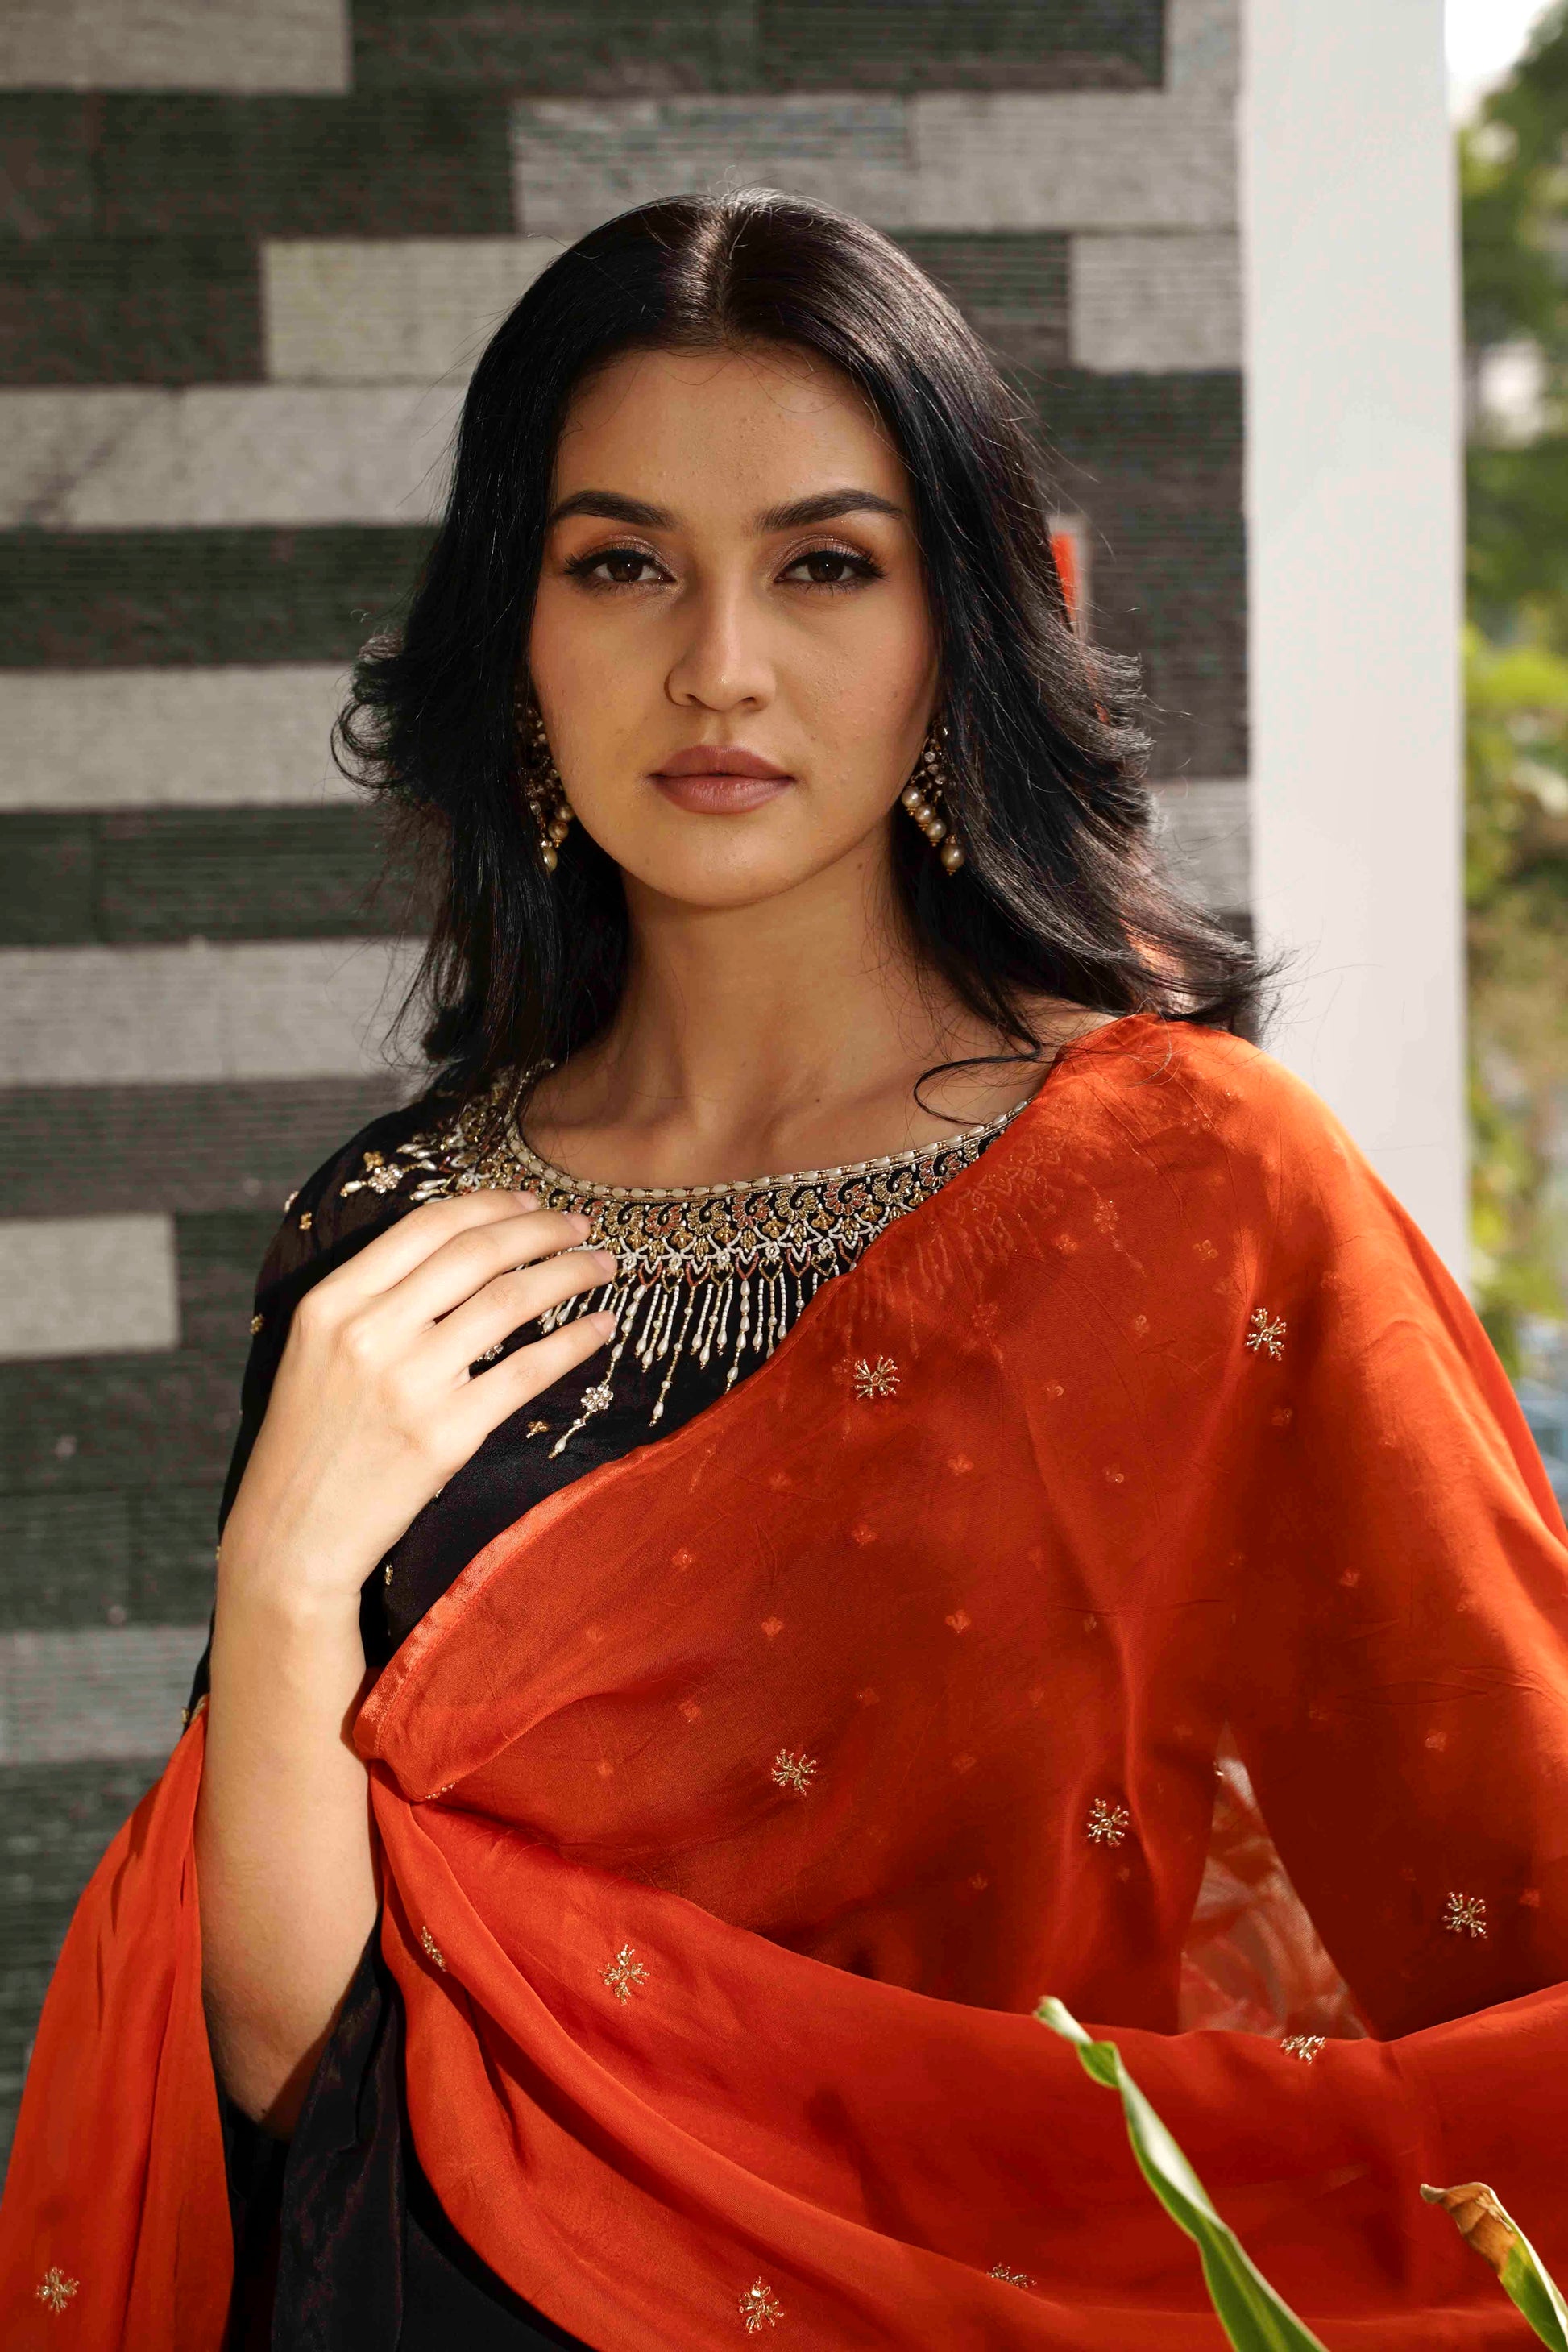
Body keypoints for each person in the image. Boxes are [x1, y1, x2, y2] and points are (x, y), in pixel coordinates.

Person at [3, 189, 1566, 2352]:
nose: (715, 663)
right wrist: (279, 1602)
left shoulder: (1192, 1193)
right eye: (621, 563)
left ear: (962, 632)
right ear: (515, 634)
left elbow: (1516, 1913)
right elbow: (300, 2071)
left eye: (823, 566)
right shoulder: (394, 1234)